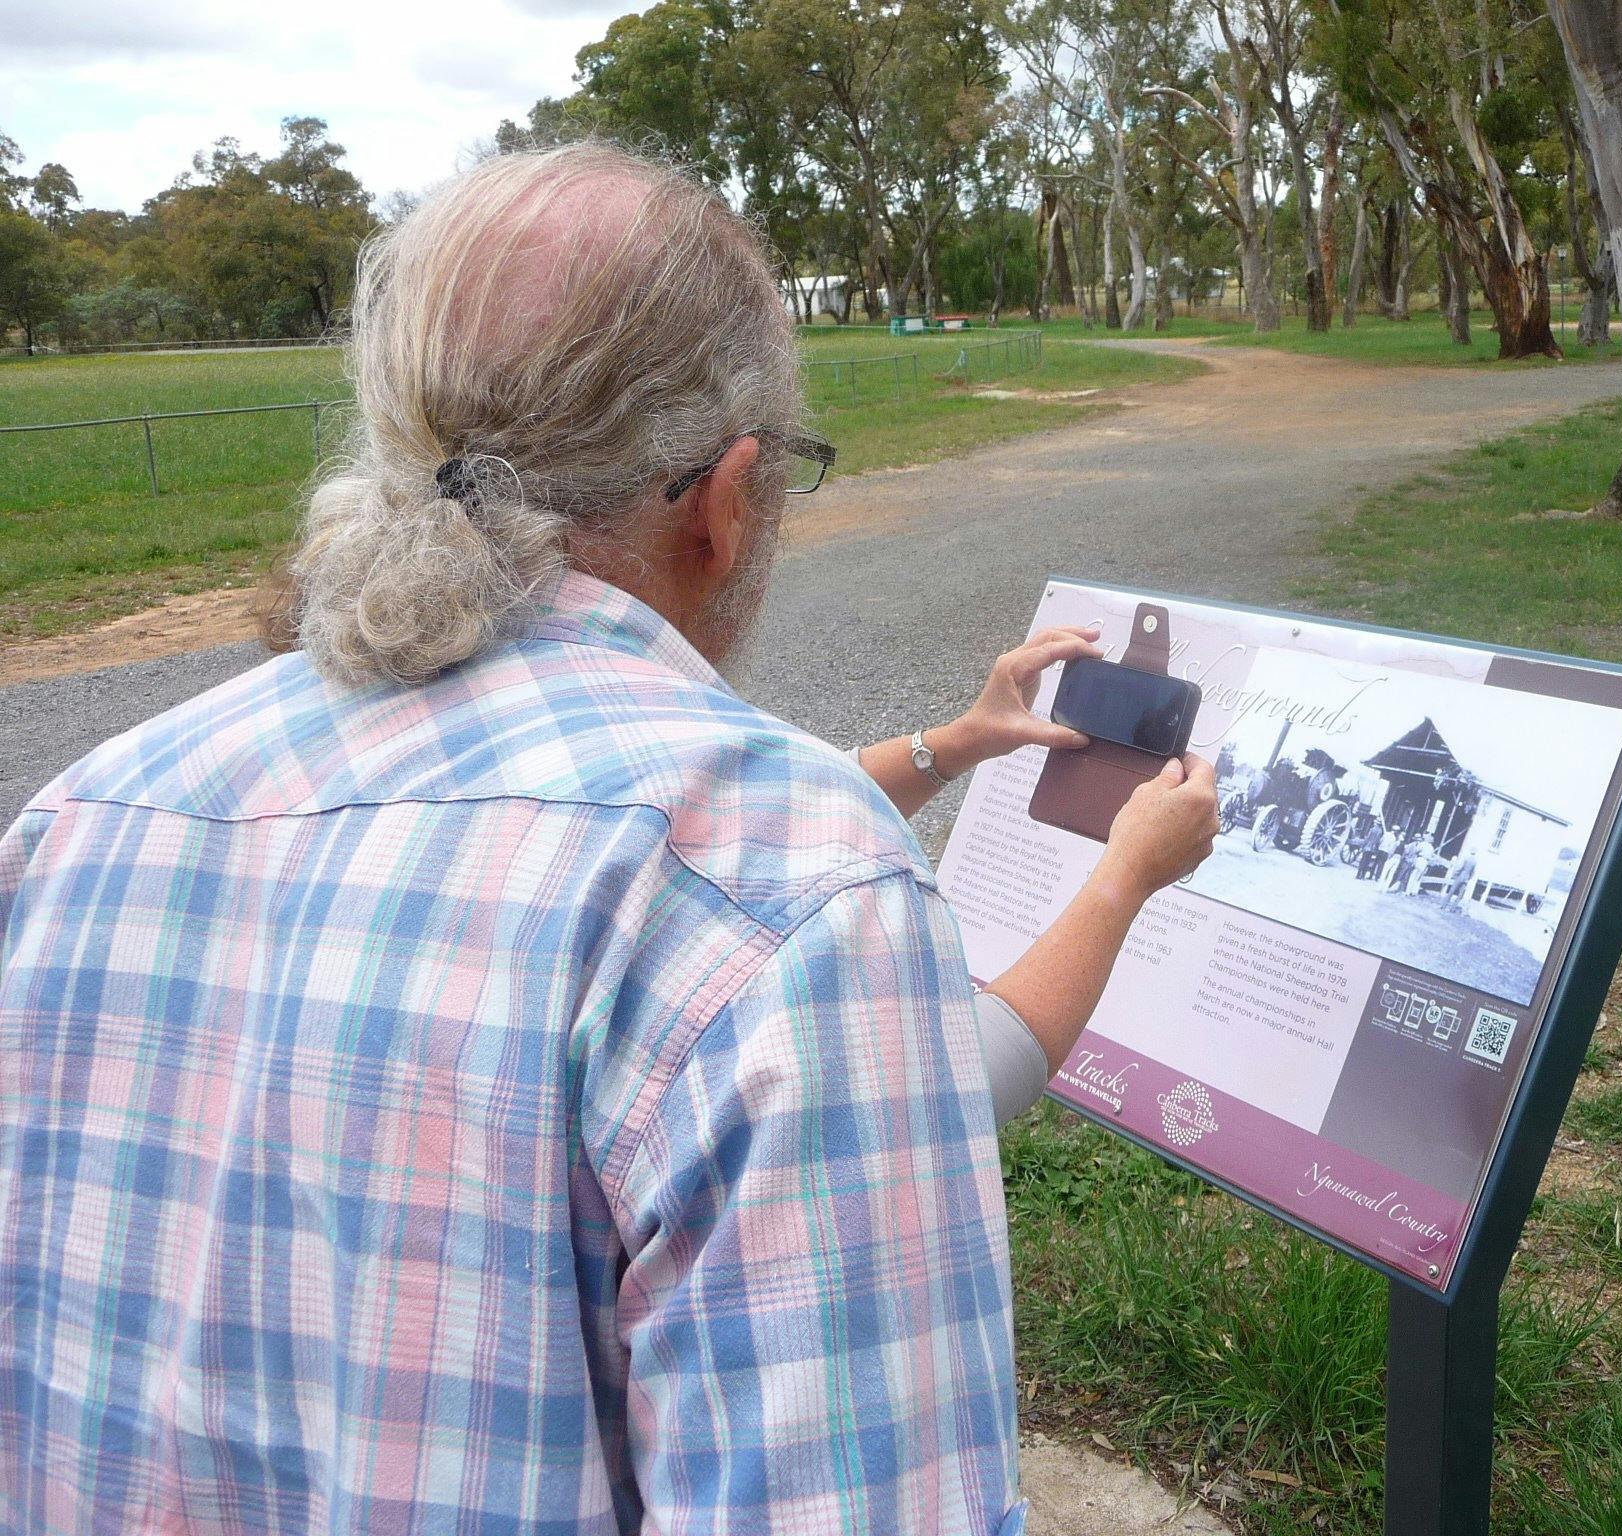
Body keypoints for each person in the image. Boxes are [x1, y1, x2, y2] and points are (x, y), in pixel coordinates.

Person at [0, 144, 1218, 1536]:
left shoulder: (88, 812)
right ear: (728, 497)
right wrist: (1127, 869)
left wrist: (950, 742)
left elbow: (608, 848)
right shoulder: (785, 888)